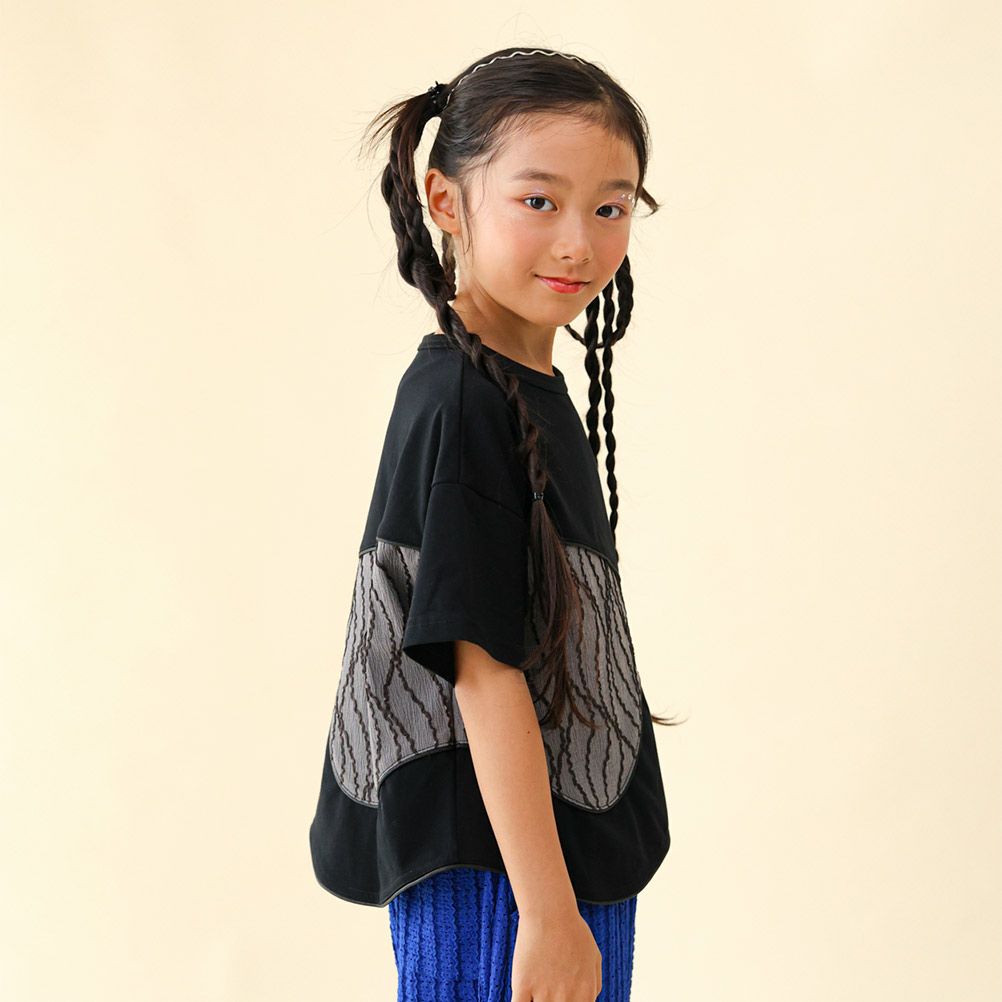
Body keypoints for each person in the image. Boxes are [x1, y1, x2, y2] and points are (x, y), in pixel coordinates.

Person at [308, 46, 684, 1002]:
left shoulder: (518, 391)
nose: (578, 243)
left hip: (545, 856)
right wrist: (548, 915)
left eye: (611, 208)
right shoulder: (464, 403)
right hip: (501, 875)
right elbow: (481, 668)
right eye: (539, 201)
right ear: (446, 201)